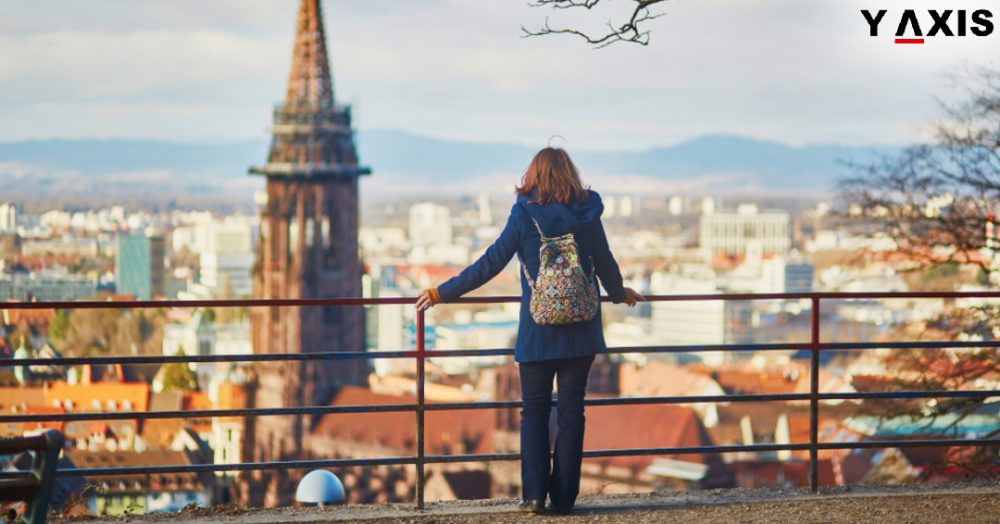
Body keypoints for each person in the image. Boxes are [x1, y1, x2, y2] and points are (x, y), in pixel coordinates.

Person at [416, 146, 643, 515]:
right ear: (570, 174)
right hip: (582, 332)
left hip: (538, 333)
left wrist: (441, 292)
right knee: (571, 414)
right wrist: (620, 295)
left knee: (535, 413)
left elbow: (489, 263)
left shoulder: (524, 214)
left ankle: (534, 496)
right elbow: (605, 263)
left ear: (533, 176)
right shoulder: (588, 213)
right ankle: (565, 498)